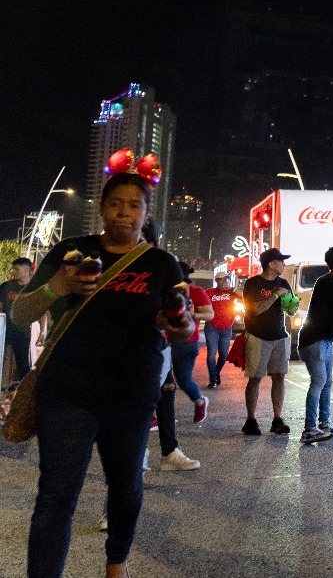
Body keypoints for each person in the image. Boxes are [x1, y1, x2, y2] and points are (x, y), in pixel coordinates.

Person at [12, 168, 193, 578]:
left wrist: (178, 323)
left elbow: (186, 325)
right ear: (101, 208)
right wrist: (56, 287)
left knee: (126, 487)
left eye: (134, 206)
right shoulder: (71, 252)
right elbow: (20, 312)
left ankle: (116, 562)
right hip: (66, 393)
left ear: (146, 213)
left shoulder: (161, 263)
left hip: (130, 396)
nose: (123, 213)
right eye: (115, 204)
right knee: (56, 497)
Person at [298, 246, 333, 444]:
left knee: (327, 383)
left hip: (327, 341)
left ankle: (324, 424)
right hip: (313, 340)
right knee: (319, 381)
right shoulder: (326, 282)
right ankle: (309, 428)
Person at [241, 248, 294, 436]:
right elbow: (255, 310)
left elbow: (290, 309)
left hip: (279, 336)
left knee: (279, 376)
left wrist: (292, 304)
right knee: (255, 378)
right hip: (257, 336)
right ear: (271, 264)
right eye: (281, 261)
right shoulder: (253, 283)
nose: (284, 264)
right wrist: (275, 295)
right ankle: (251, 420)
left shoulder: (284, 283)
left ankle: (277, 419)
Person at [170, 262, 212, 424]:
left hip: (186, 343)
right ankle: (156, 417)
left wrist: (193, 315)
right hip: (163, 341)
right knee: (158, 380)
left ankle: (200, 401)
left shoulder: (196, 292)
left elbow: (209, 314)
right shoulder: (163, 290)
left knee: (184, 381)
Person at [1, 256, 36, 387]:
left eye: (16, 269)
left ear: (27, 270)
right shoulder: (7, 286)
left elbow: (43, 312)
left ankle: (24, 391)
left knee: (23, 363)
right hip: (5, 329)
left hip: (22, 331)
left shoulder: (34, 288)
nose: (13, 272)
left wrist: (42, 333)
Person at [204, 271, 237, 387]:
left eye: (226, 279)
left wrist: (231, 289)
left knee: (224, 355)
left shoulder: (231, 292)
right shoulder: (209, 292)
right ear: (217, 281)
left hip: (227, 327)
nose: (224, 282)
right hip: (212, 326)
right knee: (211, 353)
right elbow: (200, 303)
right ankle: (212, 379)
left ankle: (216, 372)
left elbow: (244, 296)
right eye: (222, 280)